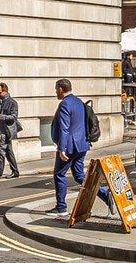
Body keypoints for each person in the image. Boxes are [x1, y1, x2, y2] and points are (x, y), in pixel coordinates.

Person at [51, 78, 91, 214]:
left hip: (69, 147)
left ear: (60, 89)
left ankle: (61, 207)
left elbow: (64, 128)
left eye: (56, 89)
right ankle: (105, 194)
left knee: (59, 174)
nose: (56, 92)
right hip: (81, 145)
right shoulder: (78, 102)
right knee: (80, 176)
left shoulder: (65, 104)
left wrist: (62, 149)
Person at [0, 82, 22, 179]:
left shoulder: (12, 102)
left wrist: (0, 116)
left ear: (5, 91)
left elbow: (13, 117)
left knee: (1, 150)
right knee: (8, 152)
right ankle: (15, 171)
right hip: (2, 129)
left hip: (8, 131)